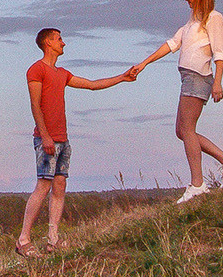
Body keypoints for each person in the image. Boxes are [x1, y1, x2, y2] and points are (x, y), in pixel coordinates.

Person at [17, 27, 138, 256]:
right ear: (47, 43)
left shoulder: (62, 73)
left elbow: (92, 84)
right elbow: (34, 105)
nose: (63, 43)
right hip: (47, 139)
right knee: (43, 185)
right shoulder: (36, 70)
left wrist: (122, 77)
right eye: (59, 39)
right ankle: (23, 240)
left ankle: (53, 239)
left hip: (63, 139)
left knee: (60, 185)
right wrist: (45, 136)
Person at [127, 0, 223, 203]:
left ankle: (197, 184)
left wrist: (218, 82)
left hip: (199, 77)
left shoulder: (214, 18)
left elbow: (220, 52)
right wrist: (144, 63)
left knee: (187, 129)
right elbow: (171, 44)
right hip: (187, 77)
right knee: (182, 131)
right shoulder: (191, 24)